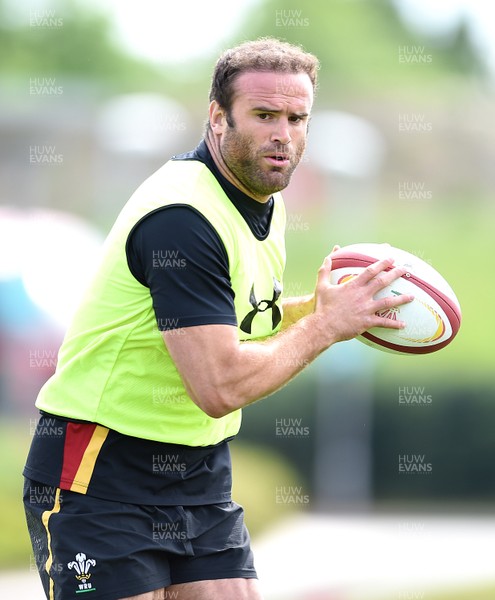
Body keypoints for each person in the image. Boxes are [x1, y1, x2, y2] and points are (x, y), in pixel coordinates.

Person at [23, 37, 413, 600]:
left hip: (199, 470)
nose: (283, 134)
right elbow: (220, 384)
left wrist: (322, 309)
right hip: (101, 470)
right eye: (264, 115)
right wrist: (326, 328)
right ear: (217, 117)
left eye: (297, 118)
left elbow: (239, 321)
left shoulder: (263, 199)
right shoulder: (182, 218)